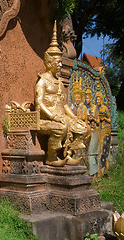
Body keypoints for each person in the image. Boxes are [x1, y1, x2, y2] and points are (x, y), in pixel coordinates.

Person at [35, 21, 87, 166]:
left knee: (82, 127)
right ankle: (51, 157)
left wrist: (75, 117)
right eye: (57, 62)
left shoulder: (58, 82)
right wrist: (52, 116)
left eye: (60, 62)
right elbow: (38, 103)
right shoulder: (42, 81)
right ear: (50, 62)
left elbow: (64, 105)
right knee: (61, 127)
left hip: (60, 117)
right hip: (45, 119)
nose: (60, 65)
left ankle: (67, 154)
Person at [96, 87, 111, 176]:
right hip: (100, 130)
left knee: (104, 148)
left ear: (101, 100)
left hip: (106, 130)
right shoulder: (97, 109)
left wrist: (104, 118)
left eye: (98, 100)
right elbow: (97, 120)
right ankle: (101, 169)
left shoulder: (105, 108)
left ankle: (103, 169)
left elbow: (109, 120)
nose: (97, 101)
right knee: (100, 149)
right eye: (96, 100)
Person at [85, 87, 99, 175]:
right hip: (89, 131)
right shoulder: (87, 108)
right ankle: (91, 171)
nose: (87, 100)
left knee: (93, 152)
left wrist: (92, 118)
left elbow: (98, 121)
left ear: (91, 98)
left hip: (96, 131)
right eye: (85, 98)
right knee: (88, 151)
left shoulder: (95, 108)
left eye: (88, 98)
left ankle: (95, 172)